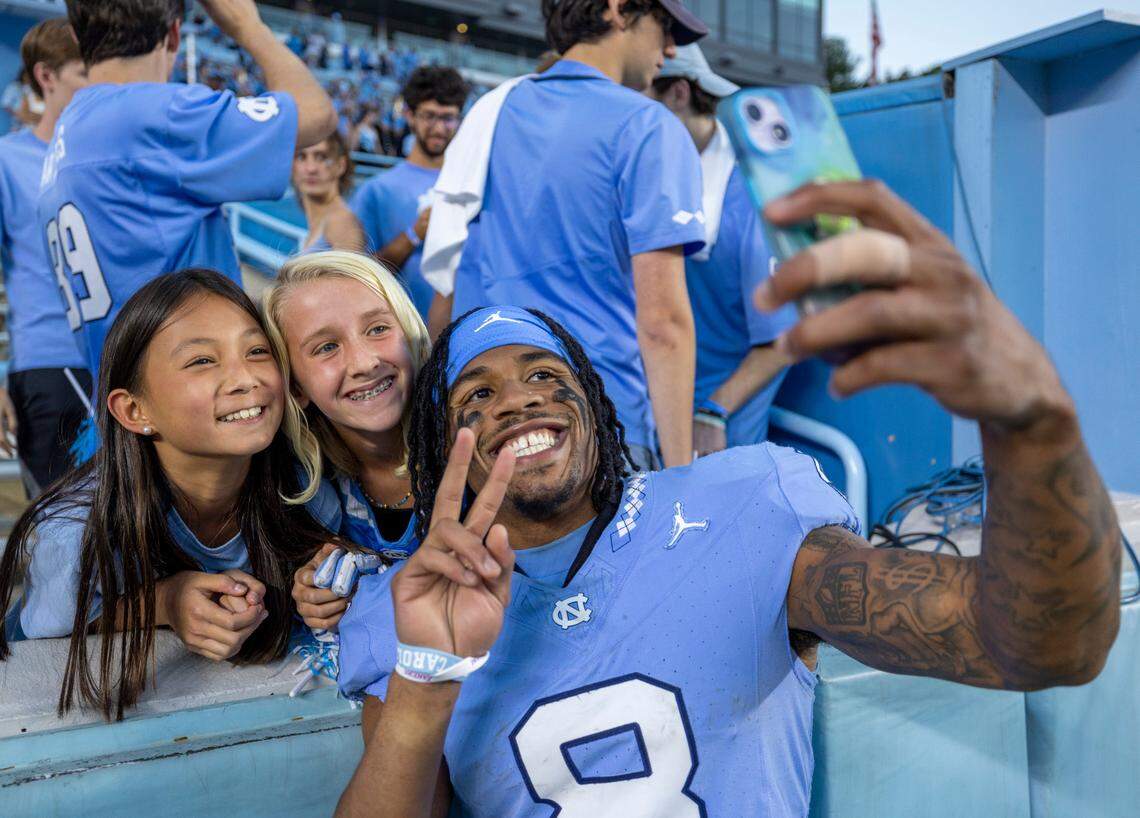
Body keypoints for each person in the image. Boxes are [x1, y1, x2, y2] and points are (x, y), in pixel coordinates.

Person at [332, 179, 1122, 817]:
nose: (519, 401)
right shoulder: (407, 609)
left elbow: (1043, 644)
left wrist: (1035, 427)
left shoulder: (741, 504)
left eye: (547, 376)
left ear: (597, 412)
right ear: (441, 451)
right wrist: (425, 682)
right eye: (477, 393)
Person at [0, 270, 339, 721]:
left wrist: (321, 589)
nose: (244, 378)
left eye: (257, 351)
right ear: (135, 410)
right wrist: (165, 601)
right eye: (202, 361)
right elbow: (55, 633)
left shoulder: (307, 493)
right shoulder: (74, 531)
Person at [425, 0, 710, 471]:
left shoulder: (488, 114)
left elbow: (447, 277)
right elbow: (664, 324)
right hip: (596, 423)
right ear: (619, 10)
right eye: (665, 26)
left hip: (484, 426)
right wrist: (681, 474)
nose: (672, 49)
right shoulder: (648, 124)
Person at [39, 0, 336, 376]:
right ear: (174, 34)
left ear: (76, 36)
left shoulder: (70, 128)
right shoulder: (154, 113)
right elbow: (316, 114)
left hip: (126, 391)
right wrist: (249, 28)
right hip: (192, 389)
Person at [261, 251, 431, 632]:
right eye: (326, 348)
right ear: (296, 388)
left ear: (411, 333)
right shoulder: (305, 488)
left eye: (377, 329)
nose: (364, 362)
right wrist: (315, 596)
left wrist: (377, 592)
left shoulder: (475, 445)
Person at [648, 44, 798, 454]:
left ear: (678, 93)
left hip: (719, 422)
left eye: (641, 101)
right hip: (659, 403)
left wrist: (714, 411)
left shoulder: (751, 195)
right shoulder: (654, 172)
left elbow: (784, 338)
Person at [0, 19, 92, 495]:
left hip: (131, 365)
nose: (97, 84)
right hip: (51, 367)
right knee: (64, 546)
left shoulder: (117, 158)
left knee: (139, 542)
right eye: (83, 72)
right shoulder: (7, 160)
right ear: (47, 77)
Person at [351, 67, 469, 321]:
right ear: (409, 115)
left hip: (462, 334)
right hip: (402, 338)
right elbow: (356, 276)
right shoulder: (377, 190)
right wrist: (414, 234)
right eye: (429, 116)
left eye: (448, 118)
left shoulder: (472, 188)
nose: (438, 128)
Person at [293, 130, 365, 254]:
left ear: (341, 165)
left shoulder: (341, 222)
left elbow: (352, 273)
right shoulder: (325, 222)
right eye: (301, 157)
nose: (311, 168)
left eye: (321, 157)